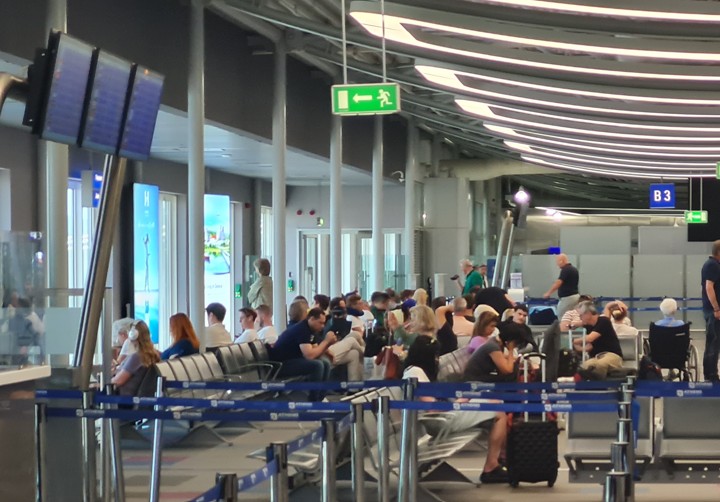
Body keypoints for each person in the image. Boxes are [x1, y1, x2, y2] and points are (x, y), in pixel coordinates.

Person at [464, 322, 532, 484]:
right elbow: (507, 370)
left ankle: (502, 458)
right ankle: (491, 466)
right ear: (511, 340)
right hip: (472, 388)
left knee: (505, 409)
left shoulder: (496, 345)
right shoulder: (493, 347)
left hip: (482, 387)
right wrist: (511, 351)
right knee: (500, 414)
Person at [271, 308, 335, 400]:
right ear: (311, 319)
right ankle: (314, 399)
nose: (323, 326)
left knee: (325, 363)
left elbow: (316, 351)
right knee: (317, 365)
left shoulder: (311, 330)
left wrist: (327, 346)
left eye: (323, 323)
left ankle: (320, 397)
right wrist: (326, 342)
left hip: (293, 360)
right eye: (320, 323)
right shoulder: (302, 330)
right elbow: (309, 355)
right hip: (282, 365)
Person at [573, 302, 623, 380]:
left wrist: (574, 341)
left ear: (588, 314)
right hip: (596, 357)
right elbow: (589, 347)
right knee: (584, 366)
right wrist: (579, 348)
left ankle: (598, 384)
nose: (580, 318)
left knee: (600, 364)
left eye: (581, 316)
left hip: (612, 355)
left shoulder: (603, 321)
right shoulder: (589, 327)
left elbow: (590, 338)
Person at [112, 321, 159, 396]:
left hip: (125, 398)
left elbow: (117, 381)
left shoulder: (137, 357)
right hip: (138, 397)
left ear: (133, 335)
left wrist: (101, 383)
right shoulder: (154, 354)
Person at [701, 240, 720, 382]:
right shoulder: (712, 265)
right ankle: (711, 375)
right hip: (714, 311)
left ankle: (710, 373)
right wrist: (716, 308)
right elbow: (709, 287)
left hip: (712, 310)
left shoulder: (712, 265)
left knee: (713, 342)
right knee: (714, 342)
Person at [543, 254, 580, 320]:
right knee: (572, 317)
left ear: (561, 261)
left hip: (567, 299)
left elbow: (558, 283)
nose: (557, 265)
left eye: (557, 262)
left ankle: (563, 327)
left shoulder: (566, 270)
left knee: (562, 316)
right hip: (575, 297)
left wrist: (549, 293)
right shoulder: (574, 269)